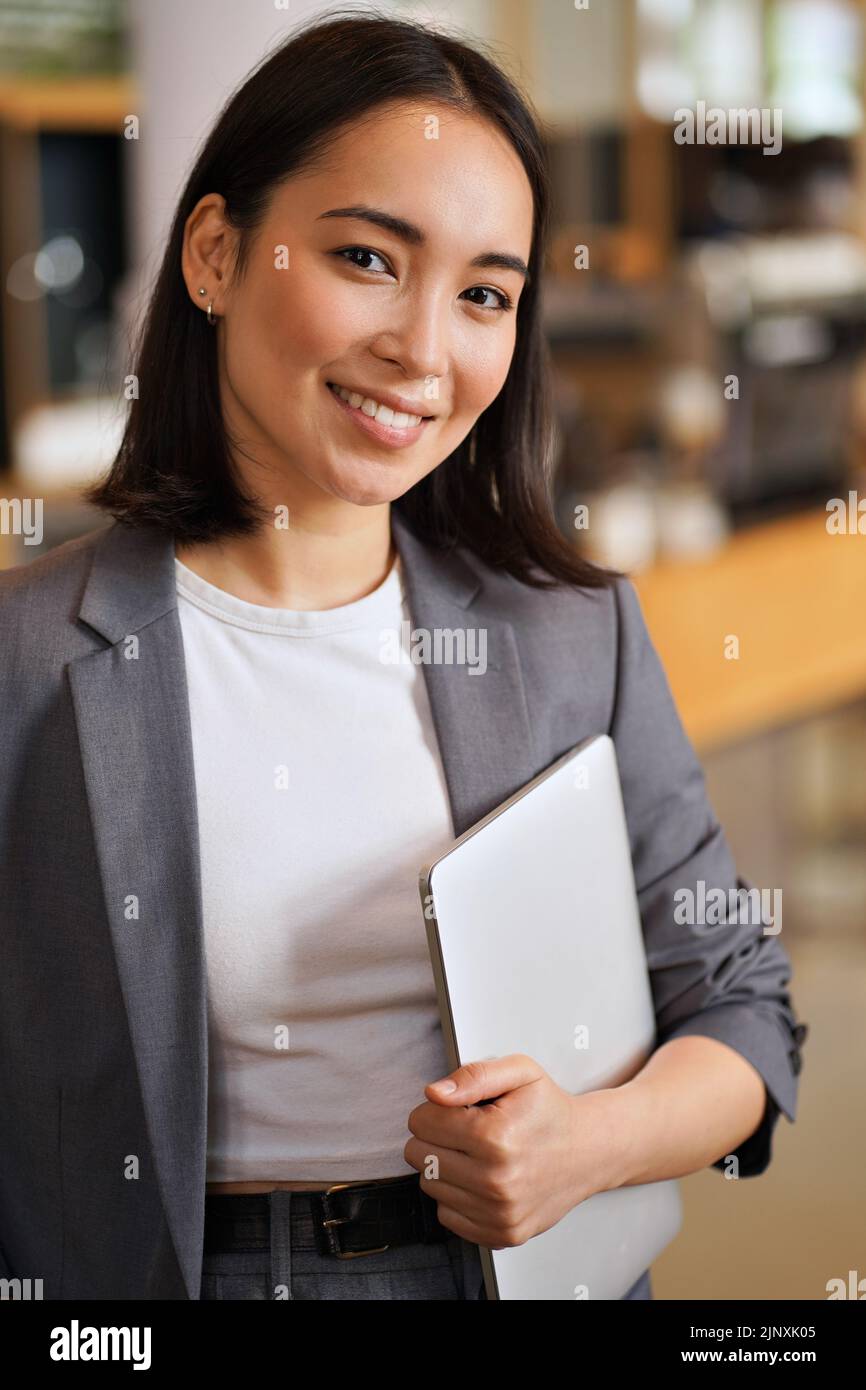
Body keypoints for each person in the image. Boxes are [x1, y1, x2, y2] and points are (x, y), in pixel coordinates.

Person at [0, 8, 807, 1301]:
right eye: (368, 258)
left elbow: (740, 1006)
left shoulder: (566, 630)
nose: (424, 351)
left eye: (483, 291)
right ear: (215, 254)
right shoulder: (29, 655)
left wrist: (584, 1144)